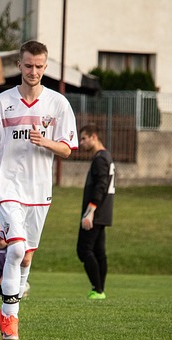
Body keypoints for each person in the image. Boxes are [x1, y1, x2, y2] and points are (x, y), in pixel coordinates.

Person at [0, 40, 78, 340]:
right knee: (15, 249)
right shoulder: (2, 102)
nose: (33, 71)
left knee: (26, 259)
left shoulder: (58, 104)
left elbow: (66, 149)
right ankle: (11, 320)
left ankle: (5, 311)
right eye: (28, 66)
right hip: (8, 187)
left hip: (39, 191)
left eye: (39, 67)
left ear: (45, 67)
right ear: (19, 65)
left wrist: (45, 142)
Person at [76, 124, 115, 300]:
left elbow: (101, 186)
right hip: (103, 212)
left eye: (84, 138)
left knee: (84, 250)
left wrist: (90, 210)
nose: (81, 142)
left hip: (96, 212)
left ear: (94, 137)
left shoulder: (100, 158)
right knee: (99, 251)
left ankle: (97, 289)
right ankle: (100, 291)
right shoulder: (106, 156)